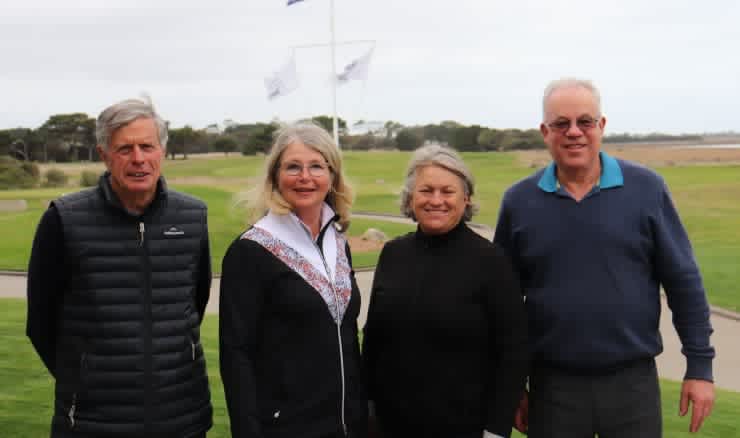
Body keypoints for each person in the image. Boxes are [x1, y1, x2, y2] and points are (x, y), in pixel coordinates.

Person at [494, 78, 716, 437]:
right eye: (560, 123)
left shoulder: (647, 189)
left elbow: (683, 281)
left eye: (585, 121)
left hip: (632, 385)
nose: (574, 132)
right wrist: (511, 384)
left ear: (602, 126)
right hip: (553, 388)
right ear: (544, 131)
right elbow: (503, 305)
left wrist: (700, 367)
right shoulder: (519, 201)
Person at [26, 97, 213, 437]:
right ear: (104, 155)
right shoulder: (64, 219)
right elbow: (40, 323)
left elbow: (194, 303)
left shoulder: (192, 217)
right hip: (91, 423)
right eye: (125, 148)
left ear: (162, 152)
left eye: (147, 146)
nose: (138, 158)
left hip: (182, 417)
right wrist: (84, 377)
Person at [362, 145, 529, 438]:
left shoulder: (490, 261)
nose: (436, 200)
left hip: (464, 425)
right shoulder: (393, 254)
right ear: (410, 197)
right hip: (391, 424)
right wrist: (366, 408)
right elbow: (374, 340)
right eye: (426, 190)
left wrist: (496, 428)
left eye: (447, 191)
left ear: (465, 199)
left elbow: (512, 352)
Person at [219, 122, 367, 438]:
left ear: (332, 176)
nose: (305, 177)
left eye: (316, 166)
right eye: (293, 167)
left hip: (345, 426)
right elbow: (236, 353)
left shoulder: (339, 243)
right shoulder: (251, 250)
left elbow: (348, 337)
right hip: (285, 427)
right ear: (275, 176)